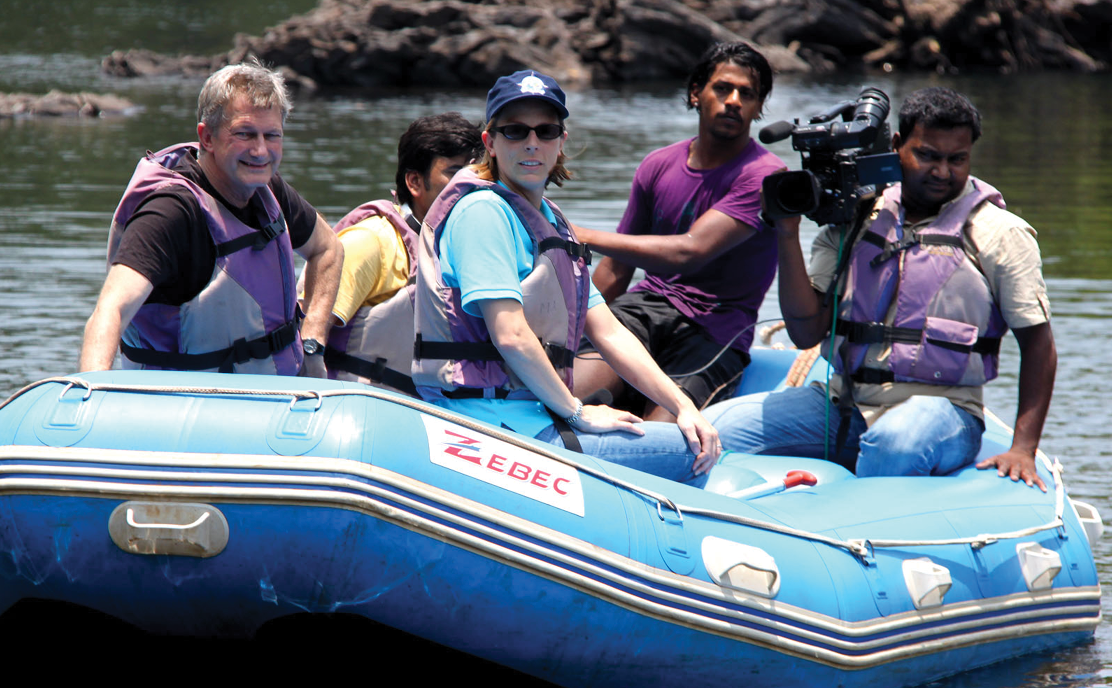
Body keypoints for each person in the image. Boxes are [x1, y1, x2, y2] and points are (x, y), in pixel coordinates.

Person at [704, 87, 1057, 490]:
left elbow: (1038, 343)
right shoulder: (857, 217)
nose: (942, 171)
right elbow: (804, 333)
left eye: (956, 159)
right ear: (896, 147)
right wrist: (786, 232)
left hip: (943, 409)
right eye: (927, 155)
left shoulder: (1000, 233)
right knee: (719, 426)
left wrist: (1023, 448)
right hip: (843, 403)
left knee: (897, 440)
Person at [413, 70, 720, 484]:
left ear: (561, 141)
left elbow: (609, 332)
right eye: (516, 131)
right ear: (490, 143)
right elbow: (511, 335)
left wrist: (682, 405)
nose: (532, 143)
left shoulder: (552, 224)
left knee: (691, 431)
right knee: (686, 453)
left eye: (545, 130)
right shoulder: (482, 214)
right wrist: (577, 411)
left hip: (531, 411)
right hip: (487, 421)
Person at [79, 59, 342, 376]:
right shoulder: (170, 212)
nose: (260, 151)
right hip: (188, 407)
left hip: (278, 401)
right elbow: (112, 309)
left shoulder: (267, 187)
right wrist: (93, 394)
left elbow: (328, 249)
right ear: (207, 138)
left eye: (272, 135)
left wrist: (312, 346)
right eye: (245, 134)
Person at [571, 42, 786, 419]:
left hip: (716, 333)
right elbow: (616, 269)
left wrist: (579, 234)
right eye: (722, 88)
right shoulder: (657, 165)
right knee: (565, 397)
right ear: (696, 94)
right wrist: (566, 328)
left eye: (747, 94)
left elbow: (691, 251)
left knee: (665, 438)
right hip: (644, 309)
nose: (734, 100)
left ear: (758, 108)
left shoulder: (765, 176)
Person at [321, 112, 481, 395]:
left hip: (433, 411)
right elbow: (305, 335)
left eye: (478, 175)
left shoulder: (461, 247)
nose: (472, 186)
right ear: (415, 182)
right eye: (455, 174)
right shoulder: (371, 242)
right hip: (360, 408)